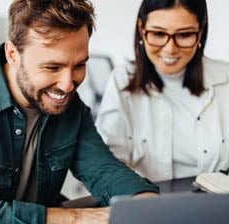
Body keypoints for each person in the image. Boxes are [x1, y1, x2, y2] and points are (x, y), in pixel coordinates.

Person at [0, 0, 159, 223]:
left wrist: (147, 204)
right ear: (13, 54)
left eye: (79, 65)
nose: (68, 84)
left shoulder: (69, 104)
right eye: (52, 67)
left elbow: (104, 171)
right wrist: (75, 218)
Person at [96, 0, 229, 182]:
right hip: (146, 204)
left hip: (216, 205)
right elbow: (107, 162)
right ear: (142, 29)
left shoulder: (226, 79)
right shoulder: (122, 80)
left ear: (201, 32)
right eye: (158, 33)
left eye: (184, 35)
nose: (170, 49)